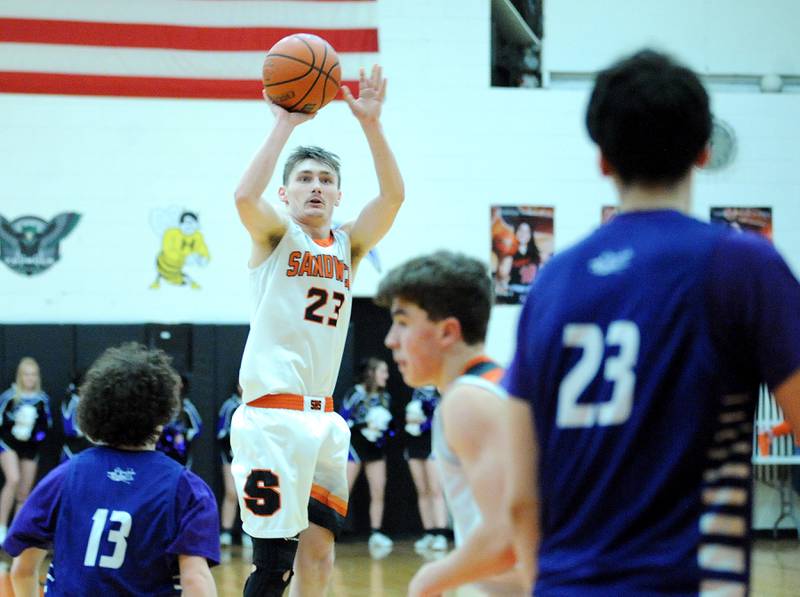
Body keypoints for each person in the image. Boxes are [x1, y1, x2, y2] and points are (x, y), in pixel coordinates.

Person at [503, 49, 800, 596]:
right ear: (705, 151)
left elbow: (520, 494)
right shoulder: (743, 264)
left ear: (603, 161)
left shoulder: (551, 283)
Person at [232, 63, 404, 597]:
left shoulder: (348, 247)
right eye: (303, 178)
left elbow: (393, 199)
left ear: (337, 196)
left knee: (322, 551)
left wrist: (372, 126)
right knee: (273, 565)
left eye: (325, 180)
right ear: (285, 195)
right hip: (270, 420)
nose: (315, 186)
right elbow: (243, 197)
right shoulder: (275, 238)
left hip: (324, 419)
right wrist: (285, 125)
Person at [2, 342, 220, 596]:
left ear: (95, 410)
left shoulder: (65, 476)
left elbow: (22, 569)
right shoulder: (188, 488)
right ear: (163, 414)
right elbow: (196, 581)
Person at [376, 251, 525, 596]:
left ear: (447, 332)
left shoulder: (467, 401)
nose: (390, 340)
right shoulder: (496, 385)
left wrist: (431, 578)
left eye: (402, 322)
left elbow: (508, 538)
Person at [339, 357, 394, 550]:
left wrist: (383, 432)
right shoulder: (355, 393)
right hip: (355, 447)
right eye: (383, 372)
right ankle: (333, 529)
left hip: (375, 449)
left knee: (378, 490)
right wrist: (364, 425)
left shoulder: (384, 396)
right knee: (343, 491)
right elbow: (341, 421)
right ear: (371, 373)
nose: (386, 376)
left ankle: (376, 533)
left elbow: (390, 426)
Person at [0, 357, 52, 544]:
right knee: (13, 479)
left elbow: (46, 426)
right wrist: (13, 430)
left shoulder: (42, 399)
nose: (30, 378)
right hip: (8, 444)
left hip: (30, 447)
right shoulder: (9, 396)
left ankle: (15, 533)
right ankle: (1, 528)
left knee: (24, 493)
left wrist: (34, 435)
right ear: (20, 376)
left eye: (33, 375)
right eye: (26, 374)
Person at [403, 385, 449, 552]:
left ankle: (441, 534)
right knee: (422, 490)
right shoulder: (414, 389)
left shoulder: (440, 388)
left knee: (436, 490)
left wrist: (425, 423)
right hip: (414, 444)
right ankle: (429, 532)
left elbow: (443, 416)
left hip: (433, 444)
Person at [216, 383, 246, 547]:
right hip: (230, 457)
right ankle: (226, 531)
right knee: (231, 493)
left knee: (248, 494)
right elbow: (221, 431)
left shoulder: (255, 407)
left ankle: (248, 533)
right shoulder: (230, 406)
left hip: (250, 458)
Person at [60, 372, 92, 461]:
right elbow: (69, 429)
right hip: (72, 452)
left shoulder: (95, 400)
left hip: (90, 452)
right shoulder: (72, 400)